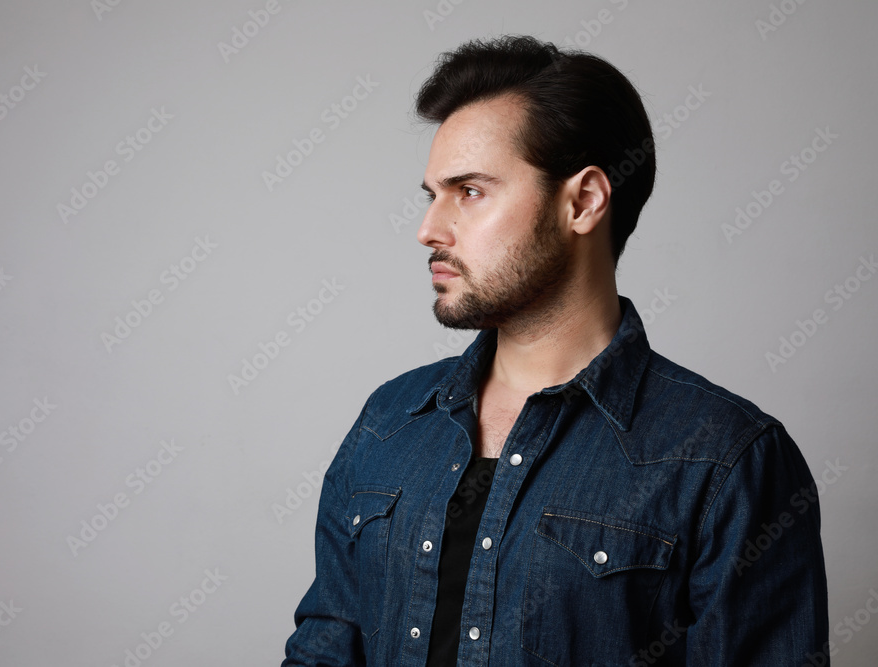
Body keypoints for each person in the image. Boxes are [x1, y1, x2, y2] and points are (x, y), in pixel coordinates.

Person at [282, 35, 829, 666]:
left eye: (471, 191)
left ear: (584, 201)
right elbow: (323, 650)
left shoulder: (724, 462)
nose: (429, 229)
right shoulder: (389, 422)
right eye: (432, 195)